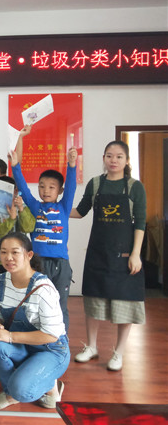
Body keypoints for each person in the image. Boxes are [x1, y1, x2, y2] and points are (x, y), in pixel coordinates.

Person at [70, 140, 146, 372]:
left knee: (125, 303)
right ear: (103, 158)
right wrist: (50, 209)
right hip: (98, 253)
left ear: (126, 160)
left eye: (119, 156)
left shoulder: (134, 187)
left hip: (125, 256)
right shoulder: (95, 184)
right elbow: (80, 212)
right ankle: (91, 347)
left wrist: (136, 254)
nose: (113, 160)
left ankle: (119, 352)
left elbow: (140, 223)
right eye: (109, 156)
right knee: (93, 301)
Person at [0, 232, 70, 411]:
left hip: (51, 350)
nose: (8, 258)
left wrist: (9, 336)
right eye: (3, 252)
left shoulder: (43, 289)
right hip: (23, 346)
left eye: (15, 252)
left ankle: (46, 384)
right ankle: (12, 391)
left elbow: (51, 335)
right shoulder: (0, 282)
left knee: (23, 390)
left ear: (29, 255)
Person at [11, 127, 78, 330]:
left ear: (60, 190)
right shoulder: (35, 206)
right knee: (36, 303)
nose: (45, 190)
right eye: (41, 186)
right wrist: (15, 166)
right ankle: (37, 336)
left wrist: (72, 165)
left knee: (60, 304)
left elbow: (72, 186)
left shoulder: (64, 207)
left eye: (51, 187)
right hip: (38, 262)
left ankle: (60, 339)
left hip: (60, 264)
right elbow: (23, 187)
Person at [0, 175, 35, 290]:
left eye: (6, 191)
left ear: (15, 191)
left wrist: (21, 210)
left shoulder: (24, 207)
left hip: (19, 260)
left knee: (18, 291)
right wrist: (11, 218)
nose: (3, 195)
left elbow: (28, 228)